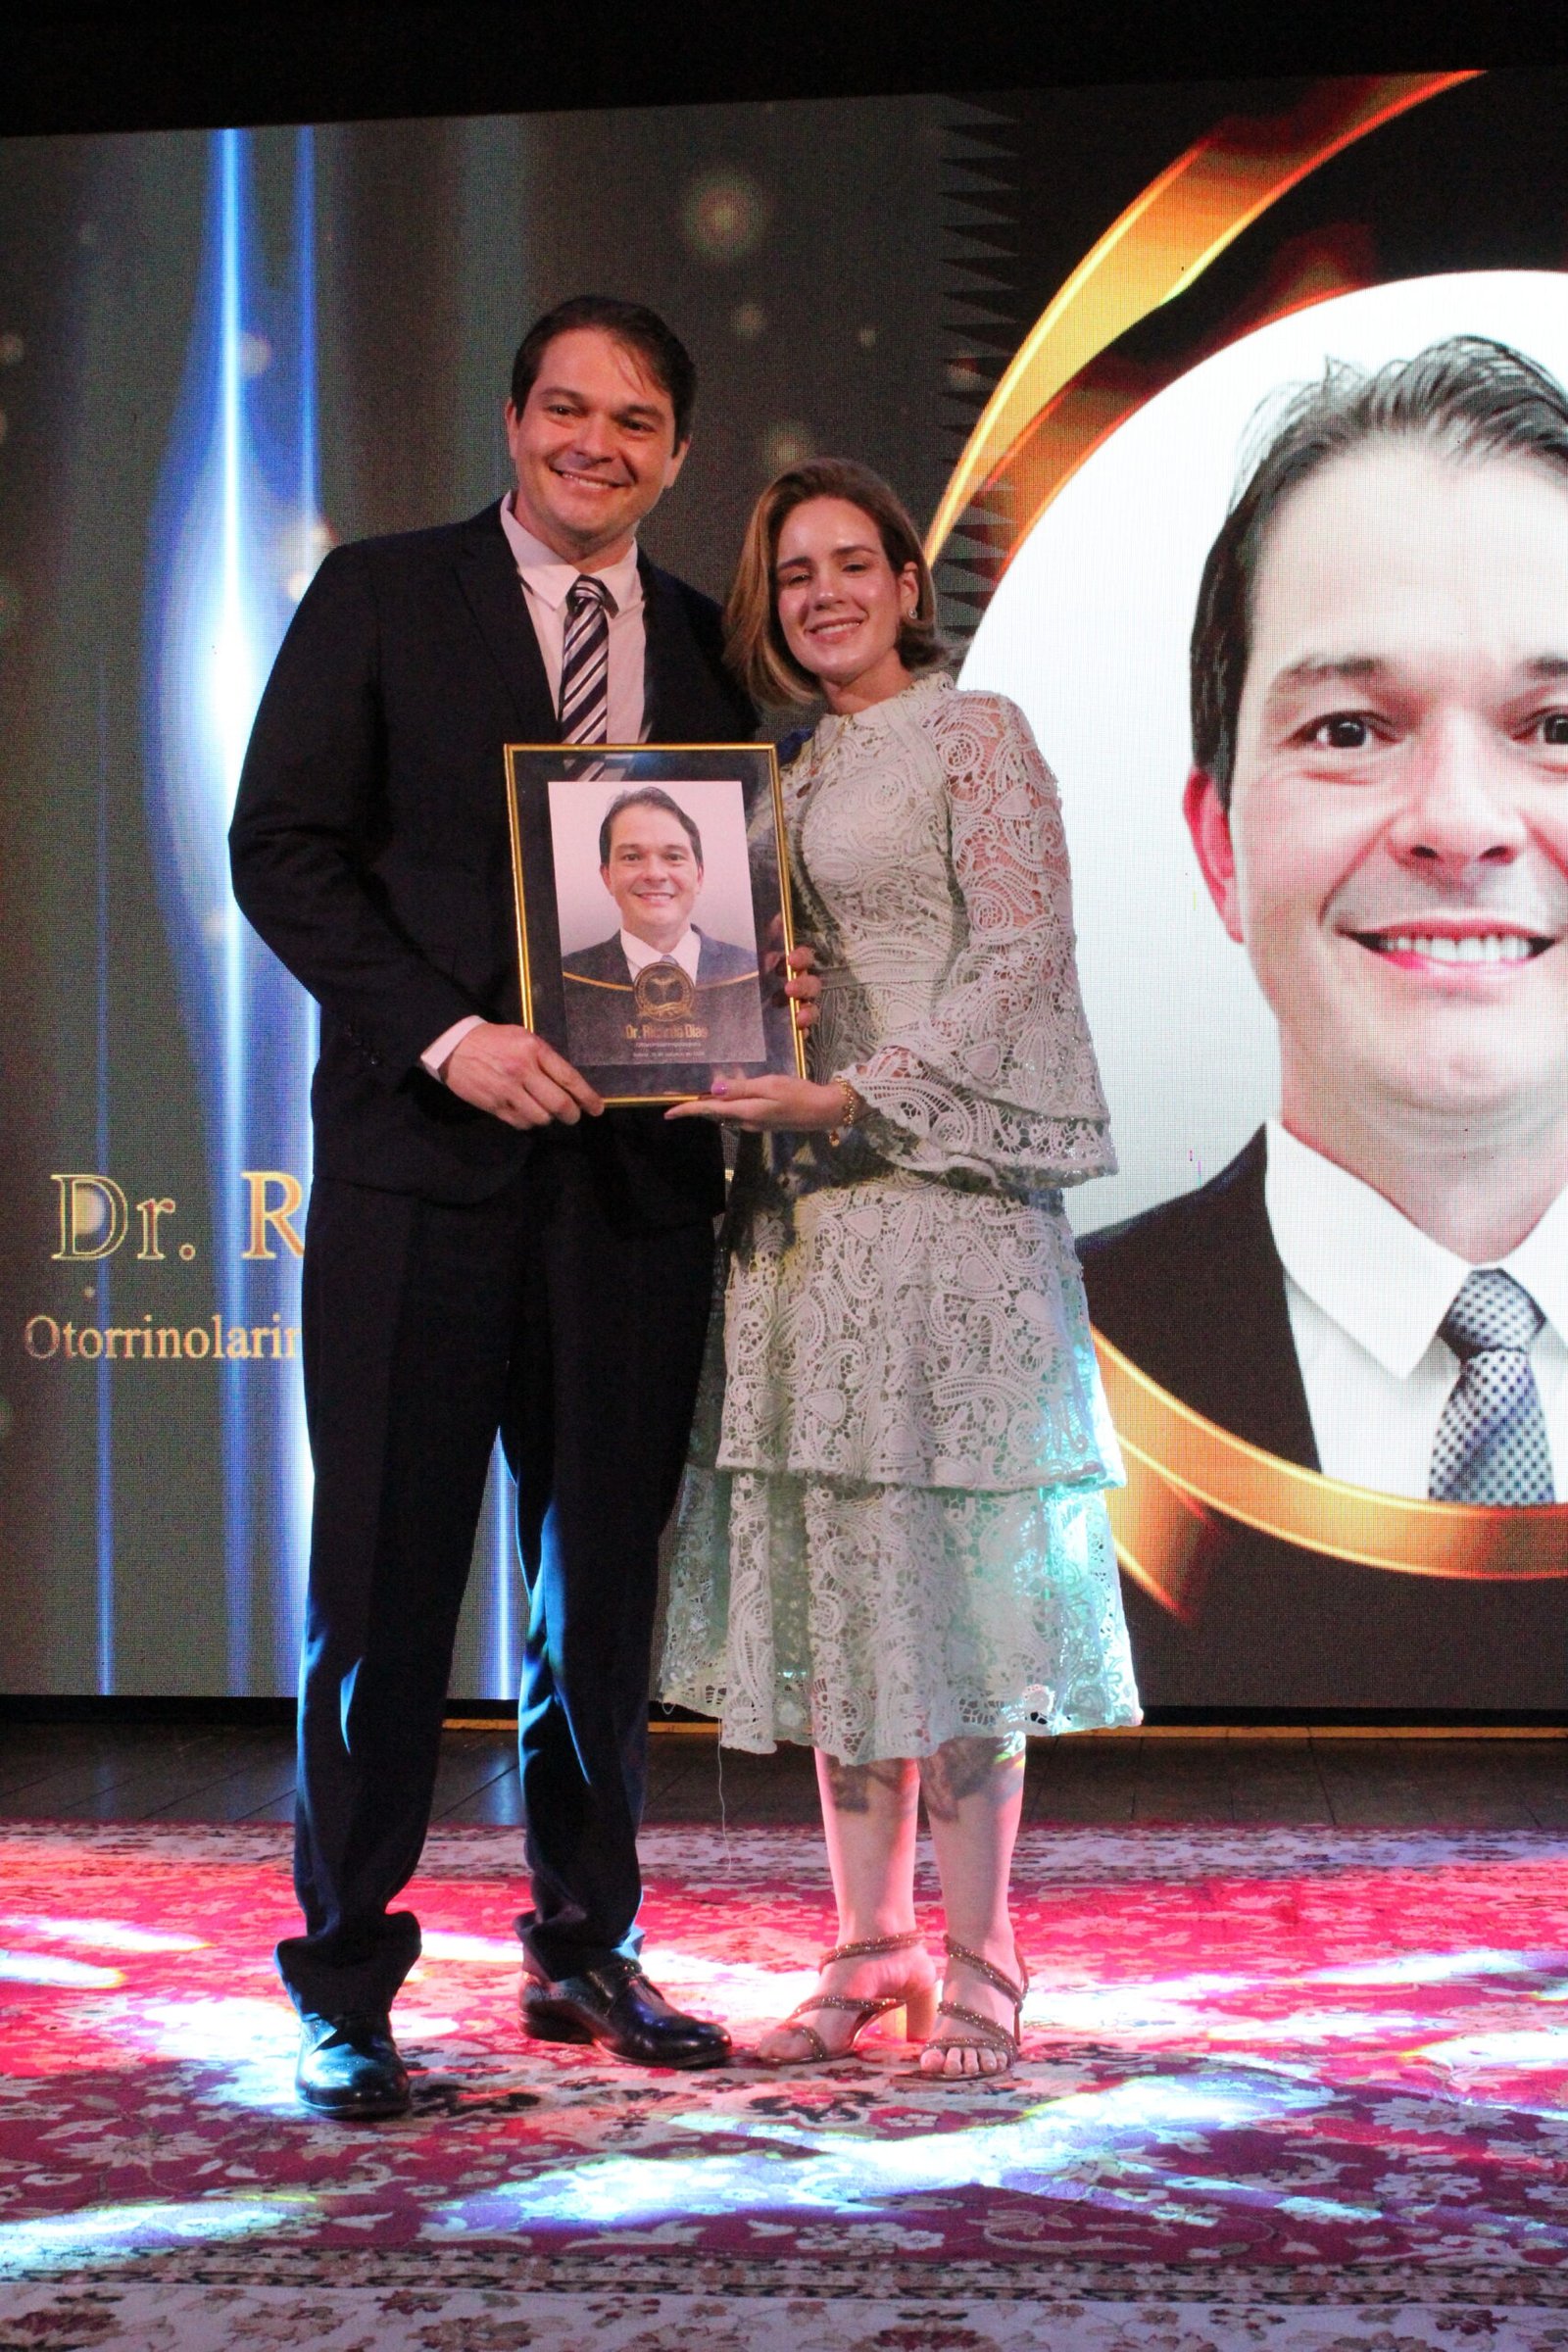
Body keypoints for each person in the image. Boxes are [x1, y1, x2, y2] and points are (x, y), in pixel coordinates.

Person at [229, 295, 815, 2119]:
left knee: (602, 1603)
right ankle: (346, 1980)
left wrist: (762, 987)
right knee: (383, 1597)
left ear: (677, 453)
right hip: (423, 1172)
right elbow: (280, 851)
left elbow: (726, 900)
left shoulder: (711, 649)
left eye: (633, 422)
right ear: (511, 419)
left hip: (635, 1195)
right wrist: (448, 1036)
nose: (594, 445)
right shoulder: (381, 595)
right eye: (567, 409)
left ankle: (584, 1944)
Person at [658, 459, 1141, 2077]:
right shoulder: (791, 770)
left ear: (906, 581)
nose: (824, 595)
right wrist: (771, 995)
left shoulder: (975, 733)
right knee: (848, 1588)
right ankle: (870, 1946)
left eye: (851, 563)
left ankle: (987, 1950)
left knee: (958, 1593)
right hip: (811, 1226)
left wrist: (858, 1091)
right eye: (795, 573)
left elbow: (1020, 959)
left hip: (947, 1208)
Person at [1079, 334, 1568, 1708]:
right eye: (1350, 730)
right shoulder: (1036, 1370)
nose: (1460, 824)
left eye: (1558, 726)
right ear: (1220, 847)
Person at [561, 786, 763, 1071]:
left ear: (699, 876)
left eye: (673, 857)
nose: (655, 874)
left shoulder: (752, 972)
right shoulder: (568, 979)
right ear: (607, 876)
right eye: (632, 857)